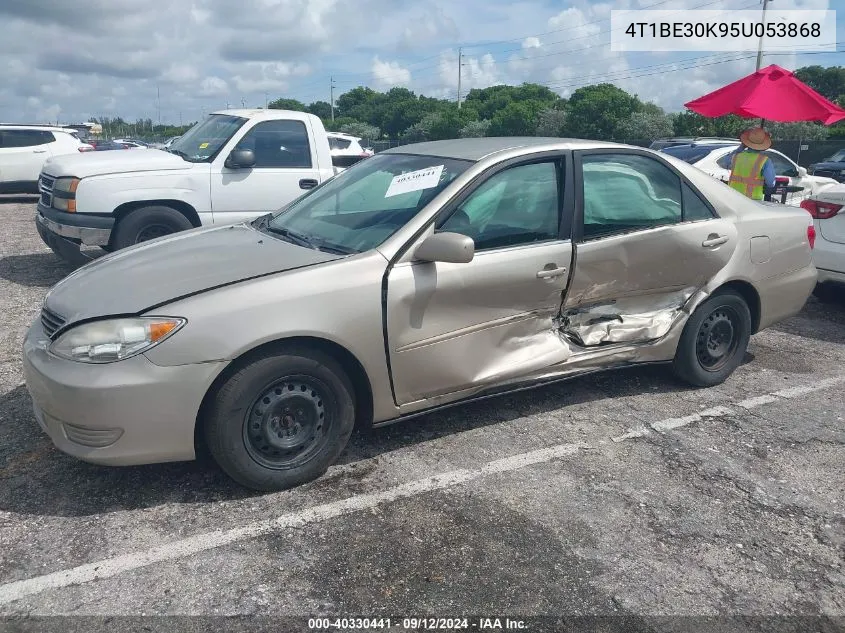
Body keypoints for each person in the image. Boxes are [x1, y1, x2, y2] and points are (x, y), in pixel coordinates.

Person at [727, 127, 776, 201]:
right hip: (753, 200)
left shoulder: (736, 156)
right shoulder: (765, 160)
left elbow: (727, 160)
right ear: (763, 145)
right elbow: (770, 183)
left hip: (732, 196)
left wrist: (742, 146)